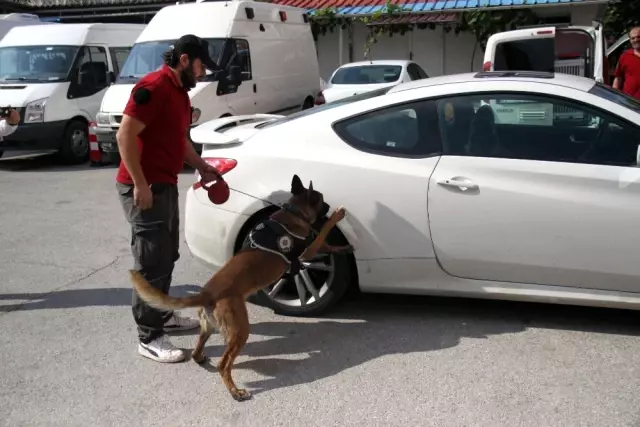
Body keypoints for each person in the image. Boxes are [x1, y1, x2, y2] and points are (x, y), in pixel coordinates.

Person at [115, 34, 223, 363]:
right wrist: (140, 183)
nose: (204, 73)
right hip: (143, 186)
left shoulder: (181, 94)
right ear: (186, 60)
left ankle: (162, 315)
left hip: (164, 183)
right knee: (150, 262)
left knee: (167, 255)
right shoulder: (154, 87)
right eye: (202, 65)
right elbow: (124, 134)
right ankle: (148, 337)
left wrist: (202, 166)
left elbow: (180, 140)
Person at [613, 27, 640, 98]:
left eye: (638, 37)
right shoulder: (625, 56)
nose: (636, 40)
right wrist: (614, 97)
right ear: (630, 40)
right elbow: (618, 78)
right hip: (629, 102)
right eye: (633, 38)